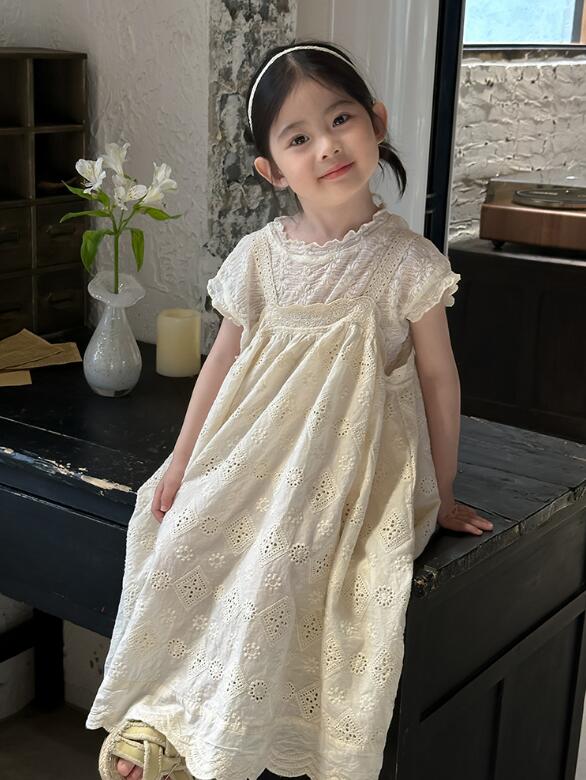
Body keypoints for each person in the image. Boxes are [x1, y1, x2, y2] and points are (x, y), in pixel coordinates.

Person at [88, 39, 493, 780]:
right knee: (180, 535)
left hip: (350, 461)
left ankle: (229, 731)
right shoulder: (259, 257)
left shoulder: (408, 264)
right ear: (272, 170)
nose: (327, 146)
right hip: (253, 447)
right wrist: (180, 462)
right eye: (298, 138)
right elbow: (220, 366)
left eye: (340, 119)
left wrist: (443, 491)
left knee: (287, 561)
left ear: (375, 123)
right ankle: (167, 712)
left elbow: (440, 381)